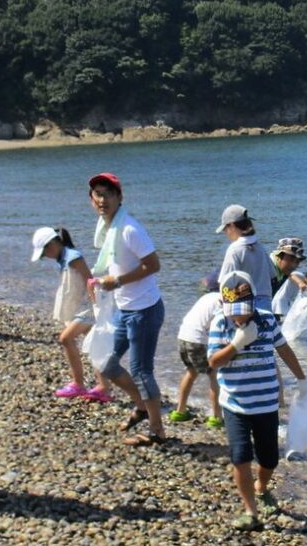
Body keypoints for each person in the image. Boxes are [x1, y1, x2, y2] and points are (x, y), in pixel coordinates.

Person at [208, 271, 307, 531]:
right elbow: (213, 362)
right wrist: (237, 343)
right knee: (240, 457)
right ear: (223, 304)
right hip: (235, 404)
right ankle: (250, 512)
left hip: (266, 403)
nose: (238, 316)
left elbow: (284, 349)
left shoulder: (266, 321)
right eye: (233, 310)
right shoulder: (221, 323)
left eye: (243, 309)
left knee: (269, 459)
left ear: (254, 302)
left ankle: (262, 488)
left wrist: (302, 380)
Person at [87, 172, 167, 445]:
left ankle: (157, 430)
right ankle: (143, 406)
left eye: (108, 194)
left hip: (144, 310)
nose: (102, 200)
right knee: (105, 362)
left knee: (142, 370)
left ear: (119, 198)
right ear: (91, 200)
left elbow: (154, 265)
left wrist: (118, 281)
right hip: (124, 308)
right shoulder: (108, 229)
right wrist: (100, 282)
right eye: (97, 194)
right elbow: (115, 265)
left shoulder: (129, 228)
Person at [31, 226, 114, 403]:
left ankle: (79, 383)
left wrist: (97, 307)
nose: (46, 257)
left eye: (45, 253)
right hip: (82, 308)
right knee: (94, 346)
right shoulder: (64, 258)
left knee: (65, 339)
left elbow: (89, 280)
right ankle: (103, 387)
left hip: (88, 309)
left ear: (52, 244)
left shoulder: (73, 257)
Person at [168, 270, 224, 428]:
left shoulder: (204, 298)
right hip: (198, 341)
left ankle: (180, 410)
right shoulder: (221, 300)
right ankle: (216, 417)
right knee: (214, 376)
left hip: (183, 337)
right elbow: (219, 327)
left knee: (191, 371)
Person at [217, 204, 275, 310]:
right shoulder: (260, 247)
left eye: (225, 229)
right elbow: (273, 276)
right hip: (266, 306)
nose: (225, 233)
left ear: (232, 226)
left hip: (245, 308)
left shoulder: (234, 250)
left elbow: (225, 285)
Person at [269, 237, 307, 320]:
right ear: (280, 256)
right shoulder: (268, 267)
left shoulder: (283, 270)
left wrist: (301, 282)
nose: (294, 265)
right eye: (291, 259)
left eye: (297, 261)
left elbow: (292, 275)